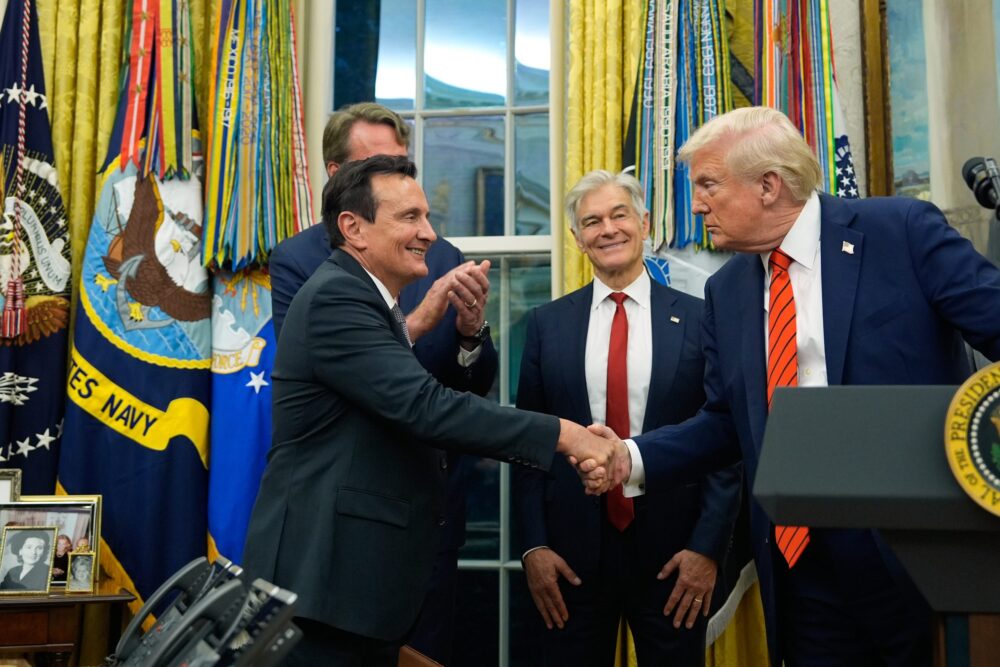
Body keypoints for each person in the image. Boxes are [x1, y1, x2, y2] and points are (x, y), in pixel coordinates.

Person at [585, 106, 1000, 666]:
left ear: (768, 185)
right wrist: (629, 457)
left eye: (708, 184)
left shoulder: (900, 232)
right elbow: (725, 422)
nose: (697, 204)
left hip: (914, 554)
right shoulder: (727, 290)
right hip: (798, 565)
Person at [242, 155, 620, 666]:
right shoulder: (337, 297)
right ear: (353, 228)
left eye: (426, 216)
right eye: (410, 217)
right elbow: (427, 407)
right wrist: (567, 435)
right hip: (323, 584)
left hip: (352, 587)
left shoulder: (365, 300)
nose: (429, 233)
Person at [268, 102, 495, 662]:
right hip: (347, 526)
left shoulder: (438, 253)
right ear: (337, 176)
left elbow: (471, 383)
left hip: (429, 507)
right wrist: (417, 321)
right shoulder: (303, 263)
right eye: (377, 162)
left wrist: (471, 333)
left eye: (401, 160)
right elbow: (355, 371)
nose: (393, 172)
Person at [513, 170, 742, 665]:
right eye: (592, 222)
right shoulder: (547, 325)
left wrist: (707, 548)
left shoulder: (702, 317)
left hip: (675, 559)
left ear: (644, 223)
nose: (608, 229)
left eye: (619, 215)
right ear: (577, 239)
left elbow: (725, 441)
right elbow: (528, 444)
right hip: (569, 560)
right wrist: (533, 547)